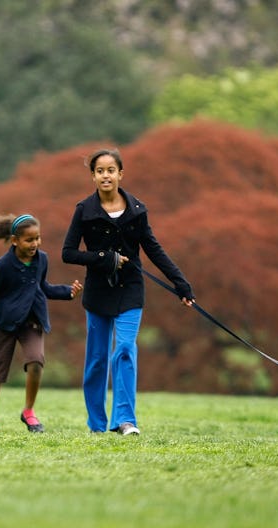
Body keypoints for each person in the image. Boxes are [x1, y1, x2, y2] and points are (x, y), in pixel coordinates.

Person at [62, 149, 194, 435]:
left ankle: (124, 420)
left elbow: (153, 249)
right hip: (98, 292)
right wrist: (102, 257)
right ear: (93, 176)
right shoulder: (84, 211)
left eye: (111, 170)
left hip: (131, 290)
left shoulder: (137, 210)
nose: (106, 175)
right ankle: (97, 424)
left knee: (124, 349)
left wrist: (179, 282)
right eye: (100, 171)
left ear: (121, 174)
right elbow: (68, 253)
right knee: (97, 359)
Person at [0, 214, 82, 433]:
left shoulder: (42, 259)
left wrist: (68, 292)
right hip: (4, 324)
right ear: (15, 240)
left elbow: (43, 288)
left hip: (32, 321)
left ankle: (29, 411)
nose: (35, 244)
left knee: (36, 361)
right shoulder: (3, 266)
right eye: (29, 240)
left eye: (38, 238)